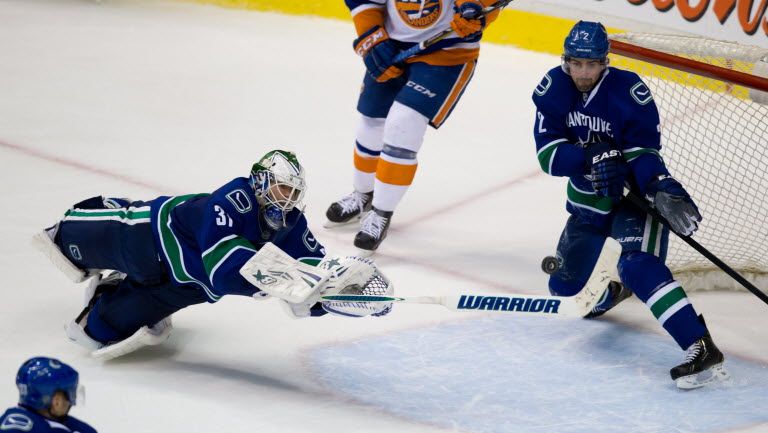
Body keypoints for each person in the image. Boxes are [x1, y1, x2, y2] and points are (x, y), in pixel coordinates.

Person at [32, 150, 393, 360]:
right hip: (150, 238)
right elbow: (223, 271)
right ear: (261, 182)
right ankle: (104, 212)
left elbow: (314, 267)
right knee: (65, 240)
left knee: (95, 333)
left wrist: (328, 293)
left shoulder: (291, 222)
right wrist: (279, 286)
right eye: (281, 187)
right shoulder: (235, 199)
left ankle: (109, 294)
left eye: (292, 190)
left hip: (187, 287)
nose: (287, 197)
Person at [531, 21, 729, 389]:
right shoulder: (554, 88)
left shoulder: (628, 91)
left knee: (638, 265)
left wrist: (659, 185)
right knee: (567, 291)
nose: (584, 73)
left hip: (632, 203)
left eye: (592, 64)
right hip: (588, 205)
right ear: (566, 61)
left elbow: (643, 152)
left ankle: (700, 346)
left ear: (605, 62)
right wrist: (590, 155)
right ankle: (613, 290)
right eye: (577, 63)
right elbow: (548, 156)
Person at [325, 0, 502, 253]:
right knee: (371, 119)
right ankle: (362, 194)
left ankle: (381, 213)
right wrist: (372, 37)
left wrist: (477, 8)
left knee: (403, 123)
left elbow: (483, 6)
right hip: (392, 42)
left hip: (448, 51)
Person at [0, 357, 97, 433]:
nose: (70, 402)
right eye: (69, 394)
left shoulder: (7, 417)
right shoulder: (53, 430)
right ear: (57, 401)